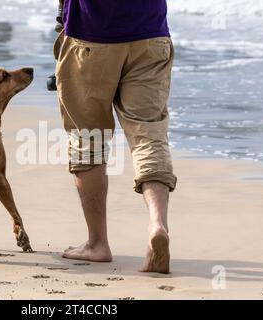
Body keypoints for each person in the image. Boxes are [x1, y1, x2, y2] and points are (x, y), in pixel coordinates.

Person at [55, 0, 176, 273]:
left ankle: (98, 244)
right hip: (150, 35)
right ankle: (158, 224)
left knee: (88, 139)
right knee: (149, 135)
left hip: (90, 36)